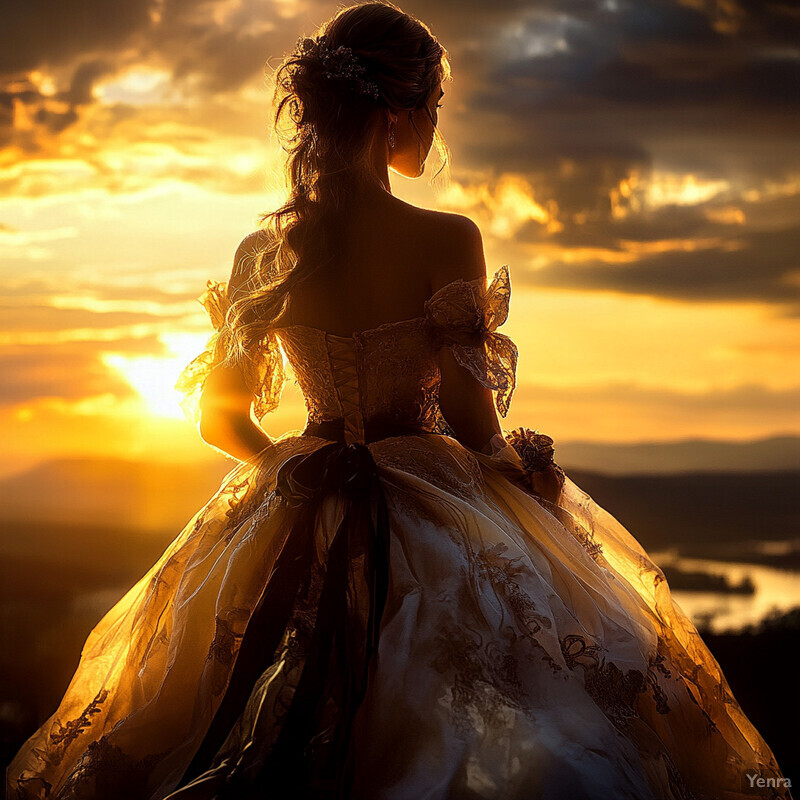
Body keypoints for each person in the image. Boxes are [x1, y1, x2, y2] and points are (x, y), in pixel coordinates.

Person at [6, 3, 792, 799]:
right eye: (435, 106)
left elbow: (220, 417)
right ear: (395, 112)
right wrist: (530, 471)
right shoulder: (447, 240)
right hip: (430, 494)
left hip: (298, 490)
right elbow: (470, 422)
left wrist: (294, 471)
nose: (437, 124)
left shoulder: (262, 253)